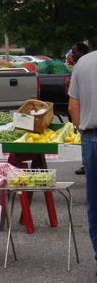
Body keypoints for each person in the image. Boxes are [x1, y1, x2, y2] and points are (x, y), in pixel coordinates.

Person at [68, 48, 97, 274]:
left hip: (91, 138)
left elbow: (72, 107)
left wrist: (83, 130)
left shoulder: (83, 63)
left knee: (94, 202)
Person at [69, 42, 89, 175]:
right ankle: (85, 163)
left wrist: (78, 126)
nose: (72, 54)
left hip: (84, 108)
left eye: (75, 52)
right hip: (82, 106)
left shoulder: (82, 66)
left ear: (83, 53)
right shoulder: (79, 66)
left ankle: (87, 164)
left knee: (86, 137)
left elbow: (73, 106)